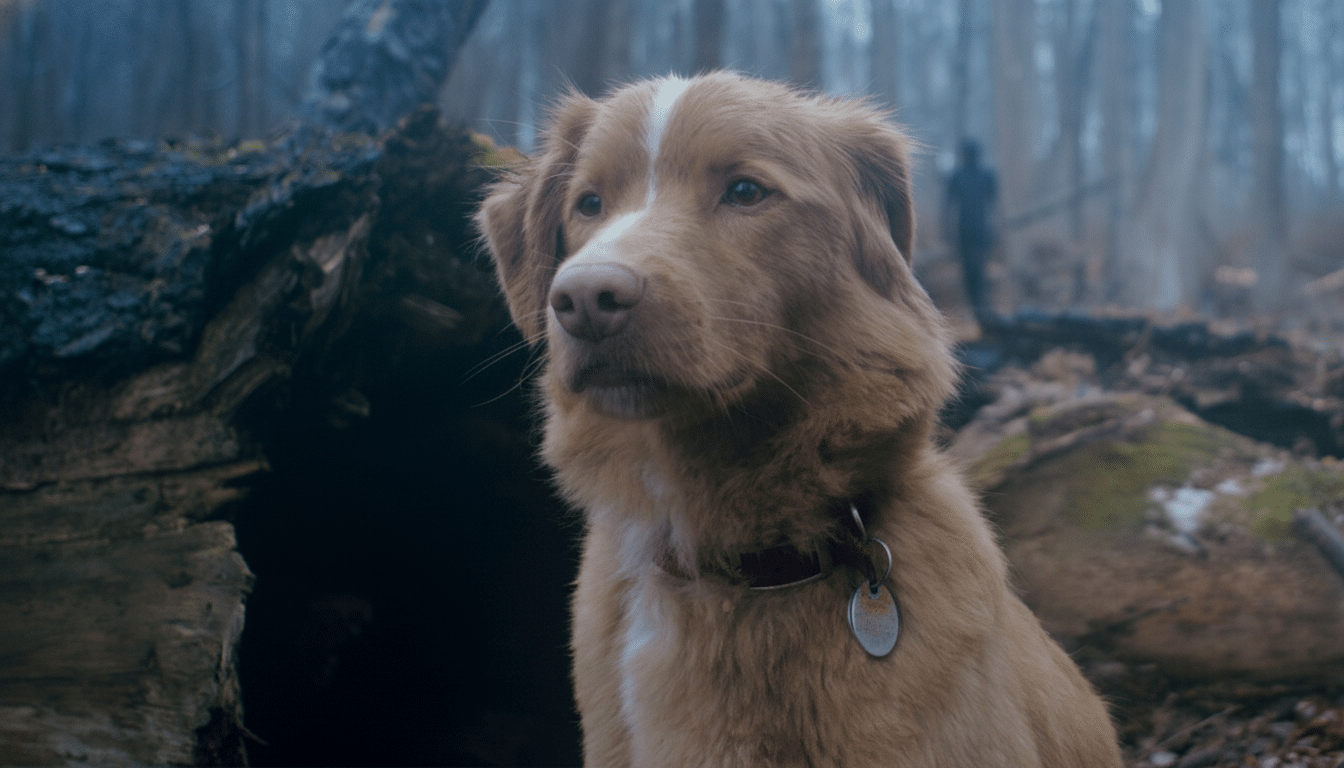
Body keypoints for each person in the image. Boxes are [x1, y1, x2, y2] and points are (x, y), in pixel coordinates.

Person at [943, 138, 998, 325]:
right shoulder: (959, 176)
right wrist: (947, 233)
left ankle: (980, 309)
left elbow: (994, 206)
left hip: (976, 230)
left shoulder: (985, 175)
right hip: (970, 230)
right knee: (971, 271)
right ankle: (977, 308)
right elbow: (948, 207)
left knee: (977, 271)